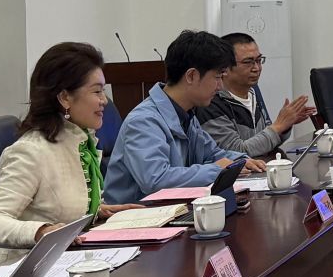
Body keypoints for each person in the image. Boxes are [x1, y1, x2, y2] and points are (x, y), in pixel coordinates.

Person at [0, 42, 143, 273]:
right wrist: (41, 231)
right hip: (18, 276)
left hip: (61, 266)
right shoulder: (31, 152)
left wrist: (96, 210)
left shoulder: (80, 141)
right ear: (65, 97)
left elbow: (58, 204)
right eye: (96, 91)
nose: (104, 100)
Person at [104, 29, 248, 203]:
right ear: (191, 76)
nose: (220, 86)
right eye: (217, 77)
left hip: (172, 209)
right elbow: (156, 180)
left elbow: (213, 154)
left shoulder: (186, 114)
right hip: (139, 215)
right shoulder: (143, 121)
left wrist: (240, 161)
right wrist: (217, 169)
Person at [198, 32, 315, 161]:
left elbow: (264, 143)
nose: (257, 68)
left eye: (259, 60)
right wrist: (278, 126)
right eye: (248, 62)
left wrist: (285, 125)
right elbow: (236, 153)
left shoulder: (253, 92)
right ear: (224, 68)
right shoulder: (210, 102)